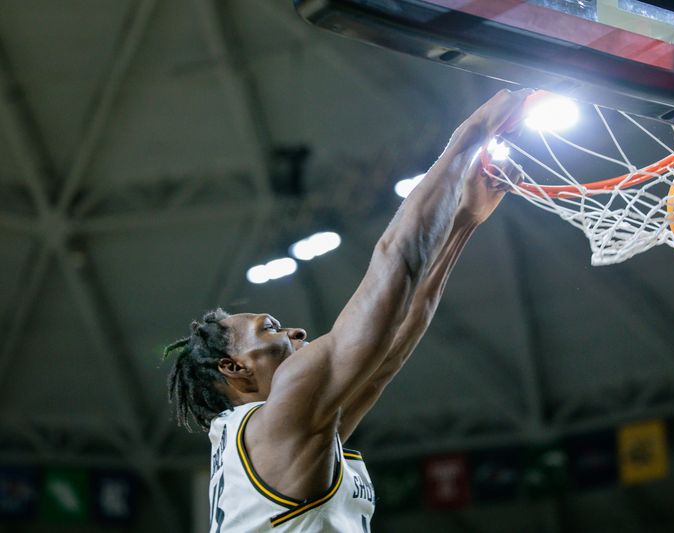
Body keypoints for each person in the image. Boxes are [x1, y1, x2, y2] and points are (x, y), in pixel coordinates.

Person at [163, 89, 530, 532]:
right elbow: (396, 261)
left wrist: (464, 222)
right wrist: (470, 135)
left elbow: (388, 351)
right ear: (234, 367)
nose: (295, 333)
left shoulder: (272, 433)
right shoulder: (278, 421)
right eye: (270, 329)